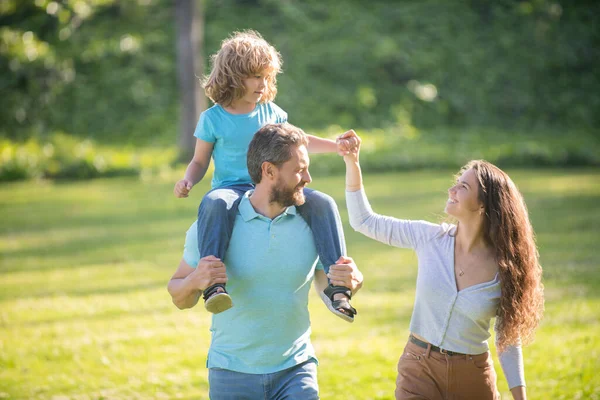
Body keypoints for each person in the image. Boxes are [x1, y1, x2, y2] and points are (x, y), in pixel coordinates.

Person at [168, 123, 364, 399]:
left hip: (296, 370)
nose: (308, 178)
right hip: (231, 373)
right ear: (269, 171)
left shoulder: (312, 221)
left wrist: (352, 281)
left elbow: (325, 283)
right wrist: (195, 280)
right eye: (298, 170)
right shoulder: (215, 224)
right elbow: (179, 297)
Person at [173, 30, 358, 321]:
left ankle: (338, 287)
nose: (263, 84)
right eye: (256, 77)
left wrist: (336, 146)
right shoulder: (213, 118)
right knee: (214, 203)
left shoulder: (270, 112)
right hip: (231, 188)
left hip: (275, 184)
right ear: (234, 76)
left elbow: (300, 140)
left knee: (322, 202)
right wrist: (188, 180)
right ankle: (214, 286)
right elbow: (199, 160)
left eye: (266, 77)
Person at [341, 134, 544, 400]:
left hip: (473, 376)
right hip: (418, 368)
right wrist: (352, 162)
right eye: (456, 183)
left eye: (463, 187)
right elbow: (364, 221)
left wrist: (520, 397)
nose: (452, 190)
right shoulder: (429, 238)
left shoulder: (504, 268)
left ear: (483, 205)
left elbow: (508, 339)